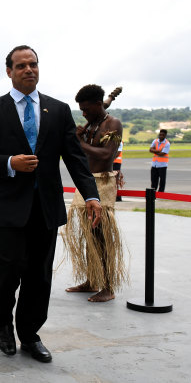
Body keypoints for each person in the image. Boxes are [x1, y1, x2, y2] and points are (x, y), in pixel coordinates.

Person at [0, 45, 101, 362]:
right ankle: (3, 325)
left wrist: (92, 194)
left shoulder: (56, 110)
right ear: (9, 72)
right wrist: (10, 162)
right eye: (21, 65)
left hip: (45, 207)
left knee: (39, 277)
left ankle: (29, 334)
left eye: (33, 64)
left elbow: (74, 158)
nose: (28, 69)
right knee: (9, 272)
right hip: (10, 209)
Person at [64, 84, 127, 302]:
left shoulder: (114, 124)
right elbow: (104, 104)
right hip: (87, 184)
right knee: (88, 236)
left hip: (103, 184)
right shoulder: (95, 119)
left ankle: (108, 286)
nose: (83, 114)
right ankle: (92, 280)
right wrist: (111, 96)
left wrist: (79, 142)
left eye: (86, 109)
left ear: (97, 105)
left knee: (101, 236)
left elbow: (105, 154)